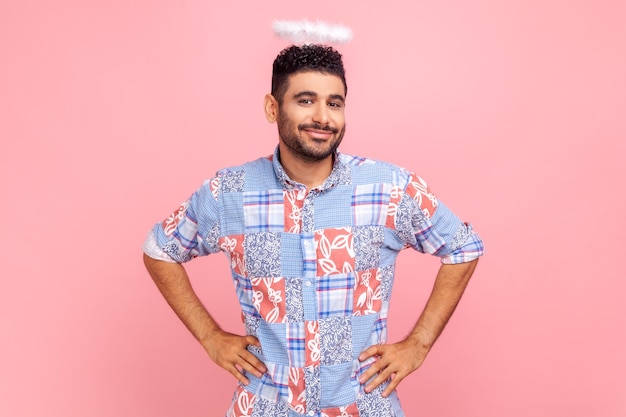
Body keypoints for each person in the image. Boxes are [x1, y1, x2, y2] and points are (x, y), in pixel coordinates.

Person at [143, 44, 484, 417]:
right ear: (273, 108)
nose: (323, 117)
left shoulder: (391, 188)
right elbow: (160, 250)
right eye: (306, 101)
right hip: (266, 406)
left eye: (334, 103)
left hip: (363, 406)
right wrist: (210, 337)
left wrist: (418, 344)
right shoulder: (229, 193)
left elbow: (462, 247)